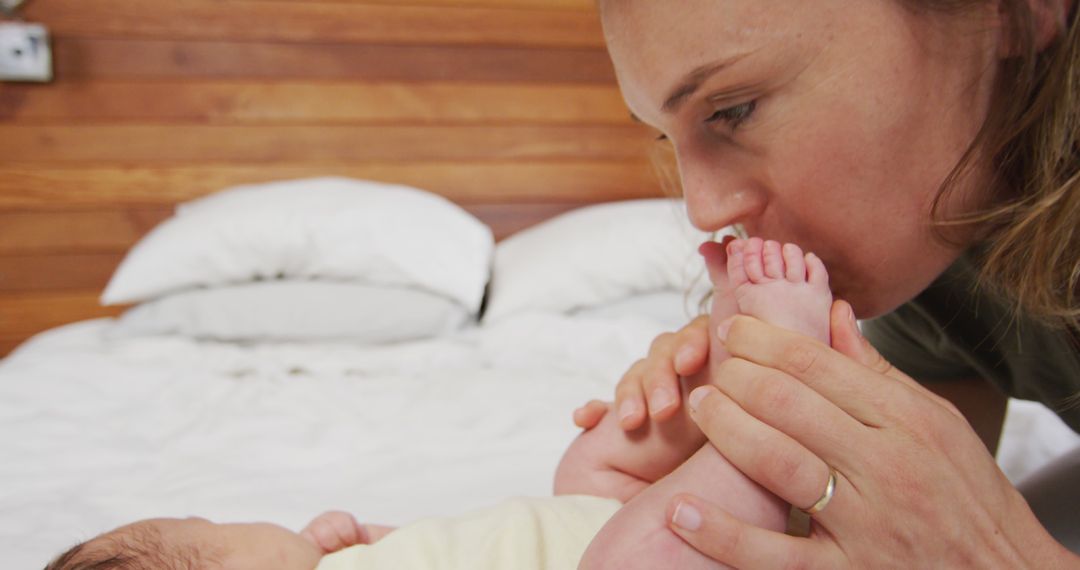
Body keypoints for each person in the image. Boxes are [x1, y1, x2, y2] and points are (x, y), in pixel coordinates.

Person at [575, 0, 1080, 567]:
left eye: (735, 110)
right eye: (668, 141)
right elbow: (906, 525)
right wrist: (731, 476)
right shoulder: (936, 271)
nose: (705, 209)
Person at [42, 238, 832, 570]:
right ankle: (766, 412)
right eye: (211, 531)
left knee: (586, 465)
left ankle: (736, 363)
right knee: (648, 546)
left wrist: (363, 544)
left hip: (575, 533)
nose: (224, 519)